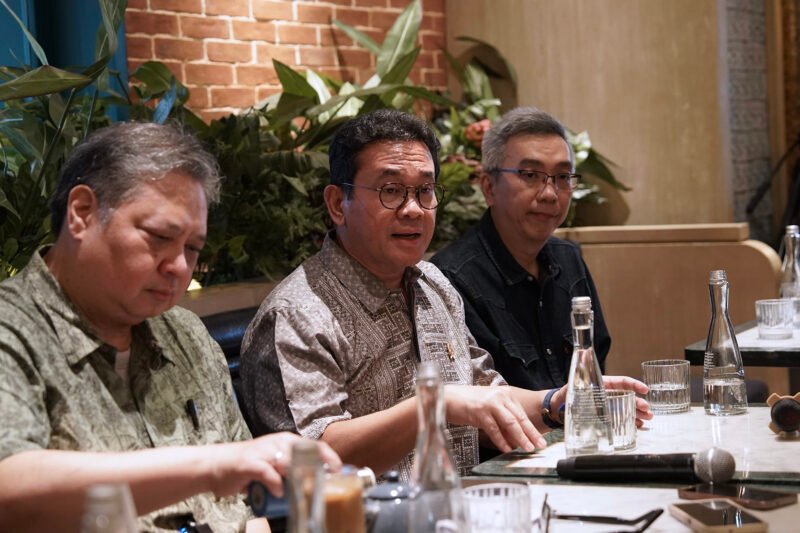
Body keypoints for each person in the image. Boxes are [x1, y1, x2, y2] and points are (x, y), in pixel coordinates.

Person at [240, 109, 650, 481]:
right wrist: (433, 404)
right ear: (337, 203)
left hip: (466, 508)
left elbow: (486, 393)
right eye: (391, 190)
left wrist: (556, 402)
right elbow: (310, 460)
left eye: (425, 191)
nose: (413, 209)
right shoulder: (297, 314)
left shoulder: (432, 283)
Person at [0, 122, 340, 533]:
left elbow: (248, 514)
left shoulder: (185, 335)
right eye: (160, 237)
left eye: (192, 249)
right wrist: (212, 467)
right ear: (82, 213)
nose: (179, 266)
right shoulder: (13, 328)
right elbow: (9, 490)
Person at [432, 107, 610, 391]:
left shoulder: (569, 259)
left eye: (563, 177)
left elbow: (595, 368)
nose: (549, 193)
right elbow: (472, 395)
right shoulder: (453, 278)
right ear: (489, 187)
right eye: (530, 175)